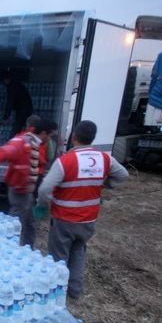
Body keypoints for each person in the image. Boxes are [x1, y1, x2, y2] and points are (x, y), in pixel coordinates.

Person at [34, 120, 129, 299]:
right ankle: (75, 290)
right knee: (78, 252)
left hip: (64, 219)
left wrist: (42, 204)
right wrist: (105, 184)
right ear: (92, 138)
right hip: (88, 220)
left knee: (59, 257)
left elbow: (45, 189)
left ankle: (57, 294)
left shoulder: (66, 161)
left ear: (74, 137)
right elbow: (123, 175)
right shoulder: (105, 158)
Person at [0, 115, 47, 249]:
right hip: (18, 189)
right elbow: (6, 151)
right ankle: (8, 249)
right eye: (46, 134)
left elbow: (37, 160)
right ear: (39, 131)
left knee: (29, 221)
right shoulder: (23, 141)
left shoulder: (34, 142)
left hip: (26, 190)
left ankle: (27, 248)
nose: (47, 138)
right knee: (15, 223)